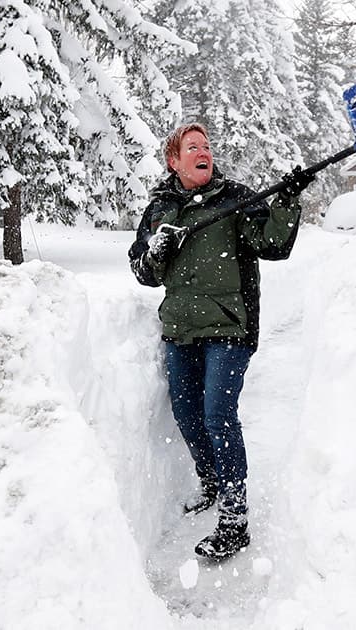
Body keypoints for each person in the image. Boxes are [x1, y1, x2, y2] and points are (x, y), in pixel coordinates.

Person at [128, 122, 314, 559]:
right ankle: (211, 478)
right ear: (174, 161)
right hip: (180, 328)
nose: (203, 151)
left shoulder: (234, 199)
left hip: (229, 326)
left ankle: (235, 518)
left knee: (217, 414)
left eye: (206, 146)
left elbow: (273, 244)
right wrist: (156, 252)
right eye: (193, 147)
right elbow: (142, 271)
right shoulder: (159, 209)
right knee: (187, 414)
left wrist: (286, 199)